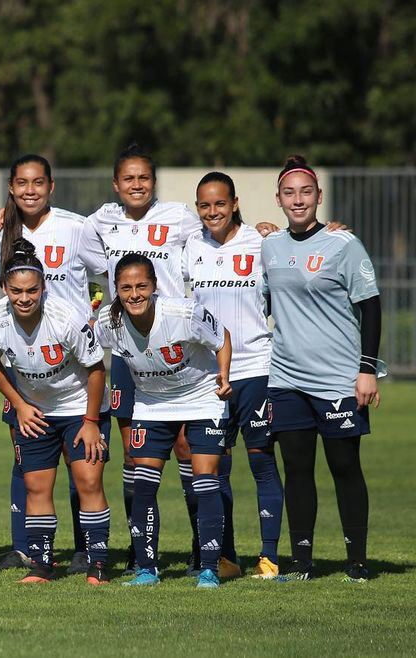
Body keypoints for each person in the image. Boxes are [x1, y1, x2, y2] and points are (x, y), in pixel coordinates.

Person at [81, 144, 208, 575]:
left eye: (144, 178)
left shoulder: (179, 217)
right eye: (128, 178)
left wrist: (259, 228)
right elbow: (73, 253)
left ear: (153, 183)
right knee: (136, 456)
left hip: (175, 349)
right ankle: (142, 553)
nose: (137, 185)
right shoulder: (100, 221)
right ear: (116, 184)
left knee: (189, 448)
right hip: (128, 353)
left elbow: (217, 233)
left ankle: (202, 549)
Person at [262, 156, 381, 582]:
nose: (298, 200)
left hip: (338, 378)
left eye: (306, 192)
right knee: (296, 470)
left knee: (345, 467)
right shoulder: (270, 245)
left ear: (319, 197)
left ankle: (358, 562)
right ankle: (303, 562)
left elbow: (370, 306)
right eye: (289, 193)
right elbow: (266, 301)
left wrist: (366, 369)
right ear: (278, 199)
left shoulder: (342, 244)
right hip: (287, 379)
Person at [0, 154, 109, 573]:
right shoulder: (2, 231)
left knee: (84, 466)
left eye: (38, 182)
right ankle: (29, 551)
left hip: (74, 363)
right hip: (26, 369)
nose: (30, 190)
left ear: (51, 186)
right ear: (11, 187)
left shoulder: (76, 227)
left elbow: (108, 274)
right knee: (28, 461)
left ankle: (86, 552)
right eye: (22, 183)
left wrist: (100, 311)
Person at [95, 254, 233, 588]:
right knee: (143, 483)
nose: (134, 294)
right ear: (116, 290)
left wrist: (225, 376)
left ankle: (209, 568)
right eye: (126, 287)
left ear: (154, 286)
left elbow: (222, 337)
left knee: (204, 478)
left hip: (202, 399)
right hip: (152, 403)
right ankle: (146, 569)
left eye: (141, 285)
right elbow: (89, 358)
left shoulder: (183, 313)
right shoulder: (107, 323)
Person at [0, 239, 110, 584]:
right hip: (35, 410)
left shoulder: (66, 317)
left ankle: (97, 564)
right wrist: (20, 404)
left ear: (43, 287)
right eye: (17, 290)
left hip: (81, 407)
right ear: (5, 288)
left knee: (88, 480)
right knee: (37, 488)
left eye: (32, 290)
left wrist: (92, 421)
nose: (24, 298)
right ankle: (42, 565)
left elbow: (97, 370)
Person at [185, 171, 284, 578]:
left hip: (257, 369)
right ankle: (225, 557)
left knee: (261, 461)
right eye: (205, 206)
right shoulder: (189, 246)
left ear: (236, 202)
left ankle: (270, 557)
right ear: (197, 209)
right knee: (215, 467)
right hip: (211, 375)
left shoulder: (261, 243)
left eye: (220, 204)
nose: (213, 212)